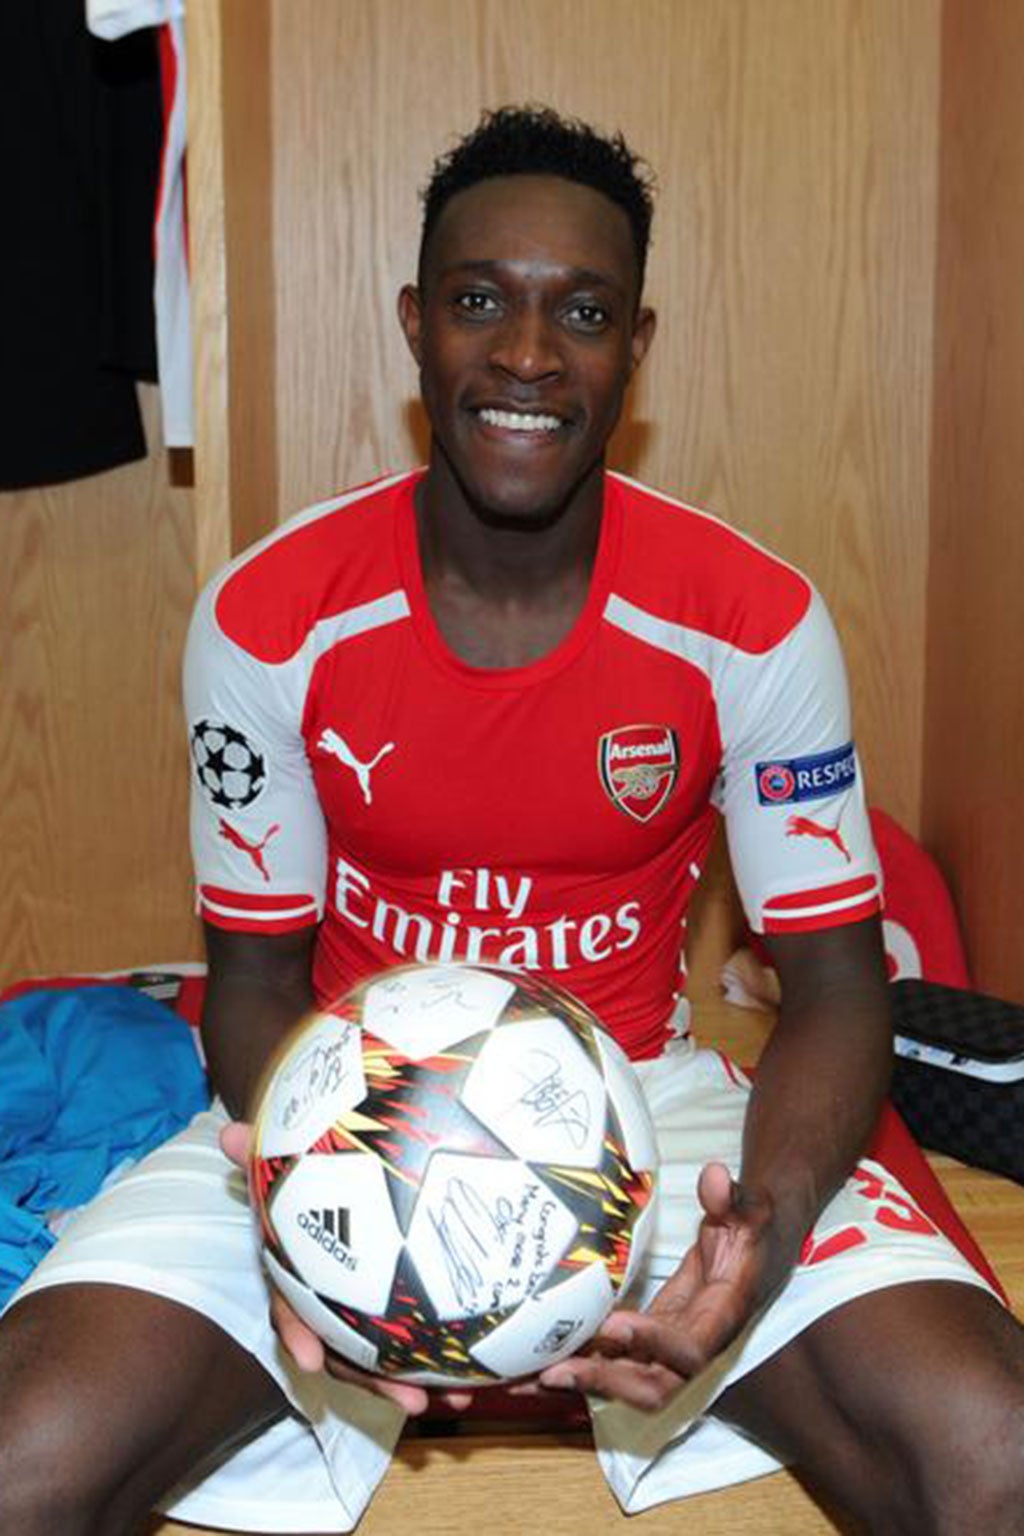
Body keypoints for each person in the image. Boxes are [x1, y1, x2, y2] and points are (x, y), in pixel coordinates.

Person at [2, 105, 1023, 1536]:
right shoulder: (268, 618)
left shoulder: (753, 620)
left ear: (635, 345)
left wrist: (762, 1233)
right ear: (418, 324)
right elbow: (250, 982)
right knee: (21, 1453)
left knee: (996, 1449)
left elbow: (842, 986)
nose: (530, 356)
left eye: (582, 312)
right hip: (347, 1104)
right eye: (482, 301)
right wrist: (308, 1184)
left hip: (649, 1097)